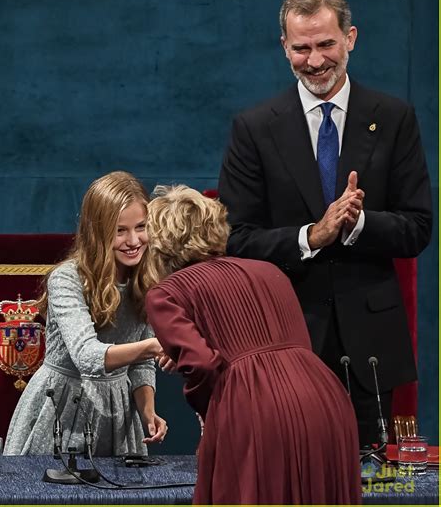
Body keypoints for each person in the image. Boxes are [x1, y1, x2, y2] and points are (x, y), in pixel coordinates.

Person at [218, 0, 432, 447]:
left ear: (350, 38)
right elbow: (234, 238)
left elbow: (417, 227)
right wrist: (311, 236)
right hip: (285, 340)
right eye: (301, 48)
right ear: (284, 47)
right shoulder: (254, 128)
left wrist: (356, 225)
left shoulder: (393, 118)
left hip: (372, 348)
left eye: (325, 44)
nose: (314, 61)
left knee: (370, 485)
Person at [143, 185, 361, 505]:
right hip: (327, 401)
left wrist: (217, 413)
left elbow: (201, 364)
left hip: (255, 410)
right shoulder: (269, 270)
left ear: (160, 241)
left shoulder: (166, 292)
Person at [4, 171, 167, 456]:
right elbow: (87, 356)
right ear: (98, 232)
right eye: (120, 230)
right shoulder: (66, 279)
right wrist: (155, 346)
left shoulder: (149, 278)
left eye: (141, 227)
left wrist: (147, 411)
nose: (133, 240)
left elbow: (141, 366)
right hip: (61, 408)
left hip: (117, 415)